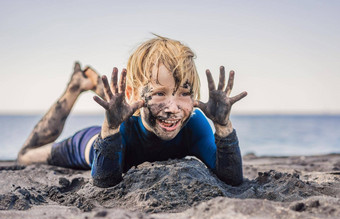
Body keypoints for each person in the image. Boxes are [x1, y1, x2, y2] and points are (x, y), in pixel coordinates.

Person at [17, 35, 247, 188]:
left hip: (127, 109)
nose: (173, 108)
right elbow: (104, 181)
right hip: (90, 142)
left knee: (133, 102)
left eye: (184, 94)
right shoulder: (122, 125)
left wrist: (223, 126)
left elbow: (232, 177)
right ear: (134, 94)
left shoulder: (195, 123)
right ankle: (76, 86)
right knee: (25, 156)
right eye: (159, 93)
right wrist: (111, 128)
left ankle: (98, 83)